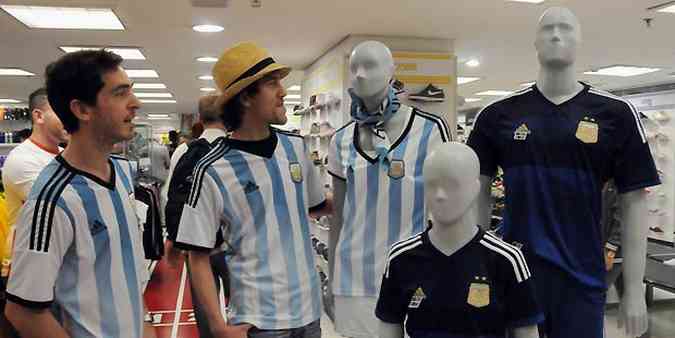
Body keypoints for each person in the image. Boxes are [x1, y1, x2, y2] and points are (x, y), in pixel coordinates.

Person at [468, 7, 659, 338]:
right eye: (548, 29)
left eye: (566, 28)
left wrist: (634, 292)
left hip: (582, 276)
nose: (556, 35)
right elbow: (475, 194)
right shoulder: (497, 115)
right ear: (534, 42)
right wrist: (473, 268)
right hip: (515, 273)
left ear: (580, 40)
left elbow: (634, 202)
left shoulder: (616, 114)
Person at [175, 42, 326, 338]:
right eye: (272, 83)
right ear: (245, 97)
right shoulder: (211, 168)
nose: (283, 91)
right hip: (259, 322)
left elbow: (316, 204)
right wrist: (218, 327)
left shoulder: (296, 148)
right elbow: (196, 254)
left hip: (310, 314)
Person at [4, 49, 156, 338]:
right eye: (121, 94)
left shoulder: (122, 172)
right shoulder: (53, 199)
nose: (136, 103)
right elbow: (23, 311)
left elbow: (125, 271)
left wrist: (145, 325)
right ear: (82, 110)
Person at [327, 41, 450, 338]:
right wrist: (332, 278)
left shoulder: (431, 130)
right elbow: (338, 218)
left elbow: (450, 211)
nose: (360, 74)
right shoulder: (341, 140)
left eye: (370, 65)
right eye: (354, 67)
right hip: (354, 279)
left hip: (414, 275)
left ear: (392, 71)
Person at [377, 142, 541, 338]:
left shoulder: (506, 260)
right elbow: (388, 327)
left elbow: (526, 332)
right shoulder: (401, 259)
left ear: (475, 189)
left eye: (451, 185)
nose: (439, 195)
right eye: (431, 185)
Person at [0, 87, 69, 337]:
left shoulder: (63, 155)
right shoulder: (22, 159)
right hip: (29, 273)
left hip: (59, 270)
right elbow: (63, 208)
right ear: (38, 116)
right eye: (60, 111)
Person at [165, 95, 230, 337]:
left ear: (200, 119)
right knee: (244, 311)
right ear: (226, 116)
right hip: (233, 246)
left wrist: (173, 238)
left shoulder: (184, 151)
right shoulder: (235, 148)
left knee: (206, 313)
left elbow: (171, 195)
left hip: (196, 246)